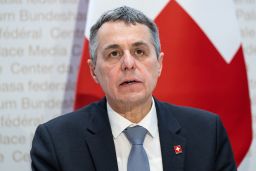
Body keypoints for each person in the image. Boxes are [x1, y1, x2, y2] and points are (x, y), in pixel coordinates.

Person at [30, 6, 237, 171]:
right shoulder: (57, 142)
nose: (128, 64)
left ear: (159, 64)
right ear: (93, 70)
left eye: (139, 51)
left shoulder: (207, 133)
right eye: (114, 54)